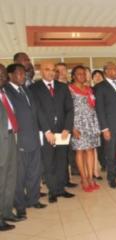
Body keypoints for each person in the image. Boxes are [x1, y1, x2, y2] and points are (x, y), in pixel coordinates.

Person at [5, 64, 48, 220]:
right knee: (20, 175)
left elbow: (36, 113)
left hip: (35, 138)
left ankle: (33, 199)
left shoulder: (27, 91)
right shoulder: (6, 92)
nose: (23, 76)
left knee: (35, 171)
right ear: (10, 75)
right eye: (19, 73)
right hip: (19, 140)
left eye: (23, 74)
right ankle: (20, 206)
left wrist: (44, 131)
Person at [30, 62, 75, 203]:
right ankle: (52, 191)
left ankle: (61, 189)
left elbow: (70, 109)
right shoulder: (34, 88)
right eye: (47, 69)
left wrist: (67, 128)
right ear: (41, 71)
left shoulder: (63, 87)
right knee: (48, 162)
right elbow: (37, 111)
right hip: (46, 132)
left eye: (53, 70)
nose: (51, 72)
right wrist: (47, 131)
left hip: (63, 132)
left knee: (62, 161)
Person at [69, 65, 101, 192]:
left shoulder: (89, 89)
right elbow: (68, 110)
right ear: (73, 76)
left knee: (90, 150)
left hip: (91, 123)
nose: (82, 75)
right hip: (77, 124)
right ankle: (84, 179)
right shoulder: (69, 89)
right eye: (79, 73)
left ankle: (91, 177)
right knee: (80, 151)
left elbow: (93, 106)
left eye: (84, 73)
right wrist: (72, 127)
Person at [0, 64, 18, 231]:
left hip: (11, 138)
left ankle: (6, 212)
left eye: (4, 74)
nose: (2, 76)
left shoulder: (4, 93)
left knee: (10, 178)